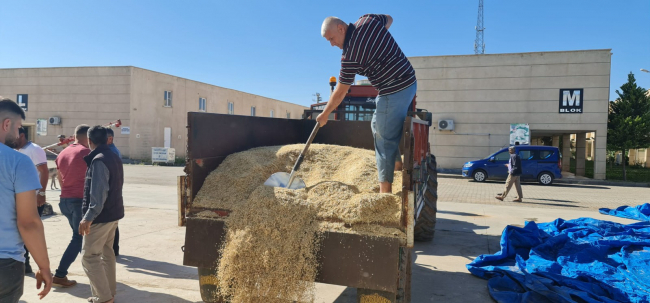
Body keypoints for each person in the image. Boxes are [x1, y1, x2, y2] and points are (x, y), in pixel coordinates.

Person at [318, 14, 417, 193]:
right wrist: (377, 42)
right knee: (375, 125)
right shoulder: (368, 20)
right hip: (408, 80)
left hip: (395, 89)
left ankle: (384, 193)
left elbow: (340, 92)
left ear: (341, 28)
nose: (331, 44)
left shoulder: (349, 56)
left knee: (383, 140)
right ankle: (396, 165)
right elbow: (389, 19)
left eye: (331, 38)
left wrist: (325, 114)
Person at [0, 97, 52, 302]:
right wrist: (44, 267)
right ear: (6, 124)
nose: (18, 133)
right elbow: (28, 222)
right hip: (5, 263)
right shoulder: (17, 161)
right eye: (18, 127)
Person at [80, 126, 124, 303]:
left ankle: (104, 298)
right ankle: (108, 293)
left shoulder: (99, 160)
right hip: (113, 215)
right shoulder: (114, 156)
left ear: (89, 141)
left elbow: (98, 196)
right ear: (108, 139)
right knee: (107, 254)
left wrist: (87, 218)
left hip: (100, 217)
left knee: (89, 257)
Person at [52, 124, 91, 288]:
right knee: (78, 238)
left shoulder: (63, 152)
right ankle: (60, 274)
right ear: (88, 138)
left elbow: (61, 179)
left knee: (81, 237)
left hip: (65, 200)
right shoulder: (87, 153)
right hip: (79, 201)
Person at [14, 126, 49, 274]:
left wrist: (41, 193)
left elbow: (44, 171)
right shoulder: (19, 151)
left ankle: (28, 264)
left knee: (30, 230)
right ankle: (24, 263)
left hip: (33, 198)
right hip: (21, 197)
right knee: (20, 231)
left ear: (21, 135)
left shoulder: (34, 149)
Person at [105, 128, 121, 256]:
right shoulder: (111, 151)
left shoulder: (111, 153)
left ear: (110, 139)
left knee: (112, 224)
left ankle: (114, 249)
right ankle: (114, 249)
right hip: (113, 192)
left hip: (110, 192)